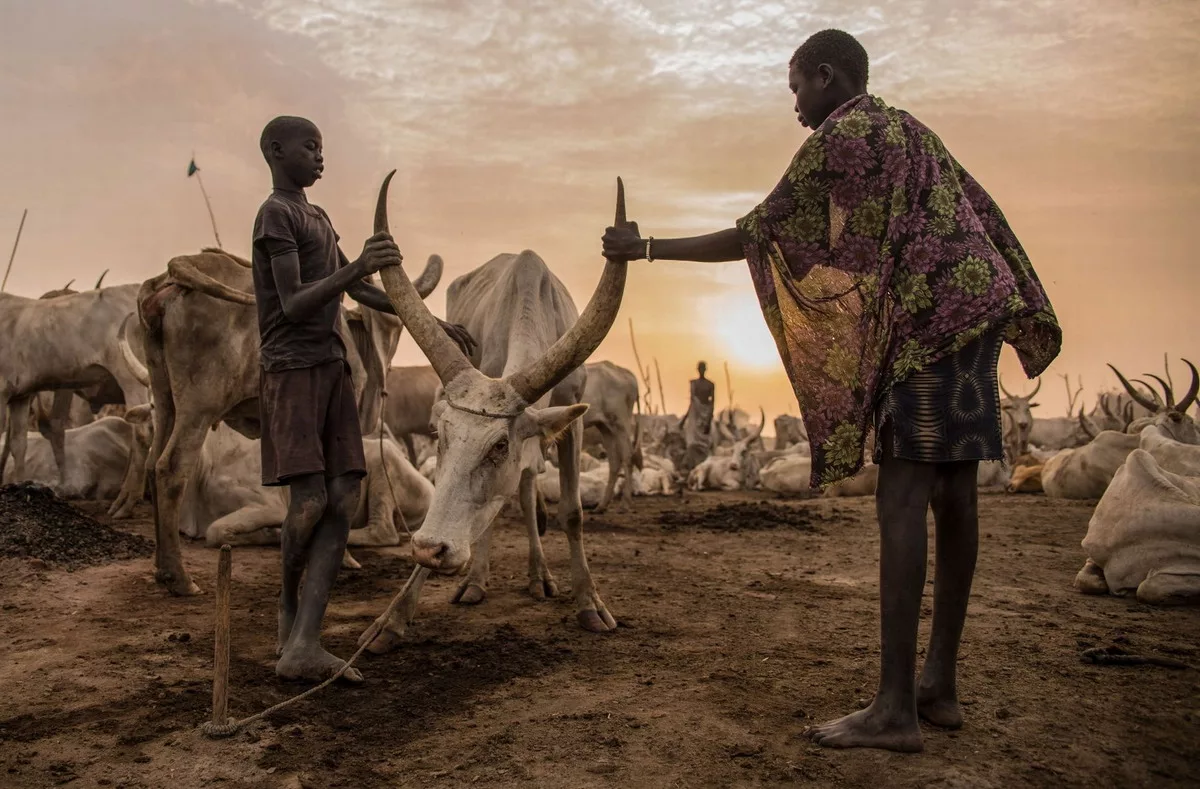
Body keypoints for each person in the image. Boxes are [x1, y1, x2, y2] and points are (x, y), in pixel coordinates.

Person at [601, 30, 1060, 752]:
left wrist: (647, 247)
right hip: (976, 308)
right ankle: (939, 685)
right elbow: (979, 208)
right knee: (955, 493)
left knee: (901, 495)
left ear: (825, 75)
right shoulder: (908, 129)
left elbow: (759, 232)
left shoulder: (841, 134)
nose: (794, 105)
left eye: (795, 88)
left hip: (927, 322)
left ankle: (893, 709)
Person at [253, 115, 474, 682]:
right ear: (277, 152)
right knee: (307, 504)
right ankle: (286, 608)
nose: (320, 155)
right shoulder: (275, 214)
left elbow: (356, 289)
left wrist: (427, 321)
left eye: (322, 147)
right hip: (292, 368)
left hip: (331, 366)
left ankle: (306, 640)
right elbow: (296, 302)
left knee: (344, 495)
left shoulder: (318, 216)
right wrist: (358, 264)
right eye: (310, 146)